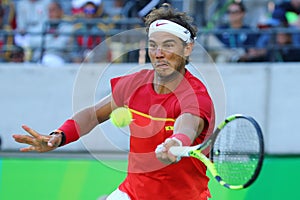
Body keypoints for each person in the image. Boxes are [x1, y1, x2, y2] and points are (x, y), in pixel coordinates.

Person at [12, 4, 215, 200]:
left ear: (187, 49)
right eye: (153, 45)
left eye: (168, 45)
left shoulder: (195, 96)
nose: (158, 53)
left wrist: (176, 141)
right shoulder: (134, 84)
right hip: (132, 193)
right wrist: (59, 136)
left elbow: (188, 123)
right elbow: (93, 115)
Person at [40, 1, 73, 66]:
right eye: (49, 11)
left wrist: (47, 41)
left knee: (48, 61)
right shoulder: (45, 25)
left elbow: (61, 45)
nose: (50, 13)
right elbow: (33, 41)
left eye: (53, 10)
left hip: (61, 58)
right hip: (44, 57)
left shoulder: (68, 27)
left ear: (61, 12)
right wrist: (53, 38)